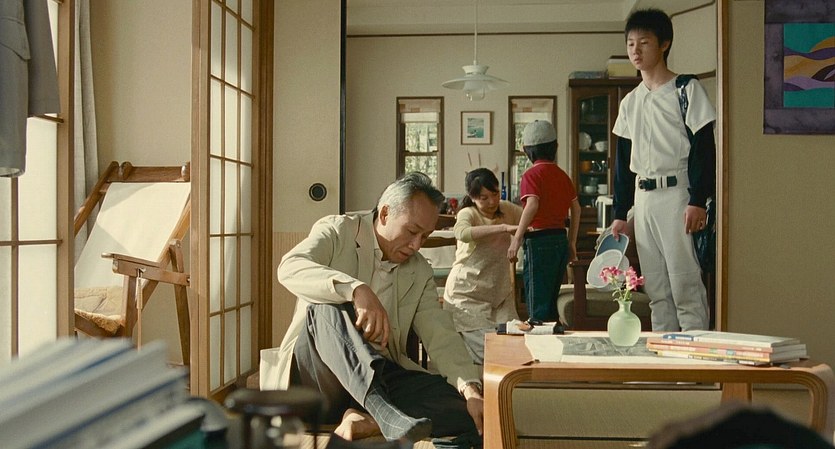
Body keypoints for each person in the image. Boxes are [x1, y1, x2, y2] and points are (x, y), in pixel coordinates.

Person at [260, 172, 483, 444]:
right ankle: (383, 414)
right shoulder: (338, 231)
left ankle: (369, 421)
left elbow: (440, 333)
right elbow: (289, 267)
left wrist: (470, 388)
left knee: (469, 408)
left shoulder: (419, 270)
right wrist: (355, 289)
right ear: (386, 213)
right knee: (325, 309)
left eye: (424, 237)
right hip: (320, 377)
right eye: (412, 231)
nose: (416, 245)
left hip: (381, 372)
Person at [610, 8, 715, 331]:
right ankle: (664, 356)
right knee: (656, 289)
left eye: (644, 42)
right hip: (643, 200)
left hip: (677, 195)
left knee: (685, 284)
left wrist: (698, 200)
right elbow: (622, 163)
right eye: (630, 44)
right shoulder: (630, 101)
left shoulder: (686, 89)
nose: (636, 51)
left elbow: (704, 149)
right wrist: (620, 213)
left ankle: (695, 357)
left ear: (664, 44)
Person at [442, 168, 523, 364]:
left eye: (495, 194)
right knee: (489, 351)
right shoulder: (468, 213)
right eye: (484, 198)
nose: (492, 202)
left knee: (517, 344)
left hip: (499, 295)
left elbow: (530, 219)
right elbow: (461, 233)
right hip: (466, 295)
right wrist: (503, 228)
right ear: (472, 197)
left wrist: (517, 239)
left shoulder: (507, 209)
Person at [507, 120, 581, 323]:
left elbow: (532, 204)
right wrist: (572, 243)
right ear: (555, 147)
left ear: (526, 150)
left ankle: (538, 340)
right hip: (560, 239)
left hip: (538, 242)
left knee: (537, 305)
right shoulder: (563, 176)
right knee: (550, 303)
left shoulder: (531, 175)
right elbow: (576, 208)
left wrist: (516, 239)